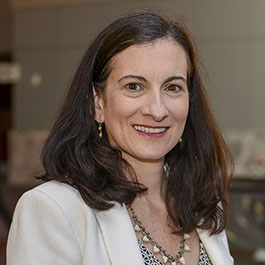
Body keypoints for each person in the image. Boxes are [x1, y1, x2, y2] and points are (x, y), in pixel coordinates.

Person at [7, 11, 234, 265]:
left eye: (172, 87)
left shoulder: (202, 207)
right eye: (134, 86)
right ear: (98, 103)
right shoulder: (52, 210)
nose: (157, 110)